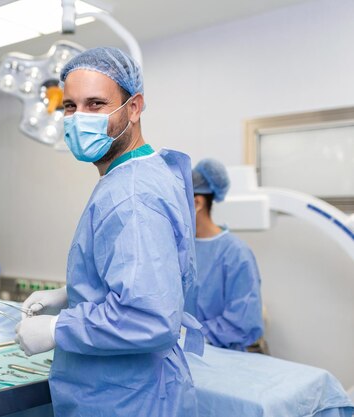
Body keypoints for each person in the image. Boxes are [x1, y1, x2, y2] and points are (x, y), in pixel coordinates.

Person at [14, 47, 202, 417]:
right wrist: (73, 293)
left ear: (133, 108)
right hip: (134, 388)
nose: (79, 117)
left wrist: (56, 328)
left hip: (125, 398)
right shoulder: (141, 173)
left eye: (96, 104)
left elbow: (148, 317)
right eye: (70, 106)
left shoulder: (132, 194)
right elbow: (150, 276)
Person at [184, 158, 264, 351]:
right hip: (180, 356)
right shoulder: (181, 247)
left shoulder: (236, 253)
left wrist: (193, 336)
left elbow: (242, 321)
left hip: (223, 358)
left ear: (196, 203)